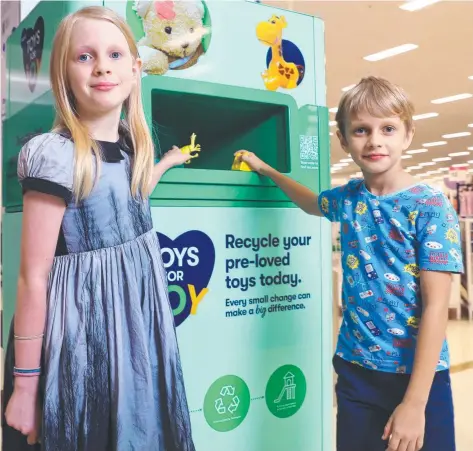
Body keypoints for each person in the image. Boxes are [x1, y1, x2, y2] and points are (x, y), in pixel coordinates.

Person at [3, 6, 196, 451]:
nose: (102, 66)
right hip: (77, 341)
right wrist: (27, 386)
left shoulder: (131, 144)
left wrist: (165, 162)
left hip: (134, 335)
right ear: (63, 73)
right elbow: (33, 278)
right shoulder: (54, 155)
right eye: (85, 57)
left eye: (113, 54)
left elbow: (131, 192)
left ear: (134, 69)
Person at [235, 76, 463, 451]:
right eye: (361, 130)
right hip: (356, 372)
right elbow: (311, 202)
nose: (375, 140)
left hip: (417, 377)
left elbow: (437, 305)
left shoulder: (430, 206)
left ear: (407, 135)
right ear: (343, 140)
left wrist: (415, 402)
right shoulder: (348, 198)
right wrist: (267, 171)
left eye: (388, 128)